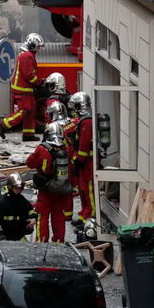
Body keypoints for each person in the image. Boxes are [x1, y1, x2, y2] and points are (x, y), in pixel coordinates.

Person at [26, 121, 74, 243]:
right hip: (61, 189)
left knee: (42, 217)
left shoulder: (42, 149)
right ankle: (58, 242)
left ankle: (42, 243)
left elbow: (30, 163)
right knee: (59, 217)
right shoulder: (66, 148)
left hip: (46, 190)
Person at [0, 33, 45, 141]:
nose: (39, 49)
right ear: (33, 46)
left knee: (30, 111)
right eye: (38, 47)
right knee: (24, 110)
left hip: (25, 89)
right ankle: (2, 125)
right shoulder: (27, 56)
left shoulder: (28, 55)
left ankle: (28, 135)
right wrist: (39, 82)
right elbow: (28, 75)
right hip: (22, 89)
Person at [69, 91, 96, 221]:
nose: (73, 110)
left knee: (89, 190)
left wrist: (79, 161)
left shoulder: (87, 122)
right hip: (83, 163)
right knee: (82, 189)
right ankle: (84, 213)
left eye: (75, 106)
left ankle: (91, 216)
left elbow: (84, 145)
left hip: (88, 163)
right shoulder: (83, 121)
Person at [0, 173, 36, 241]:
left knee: (27, 249)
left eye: (20, 188)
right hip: (4, 237)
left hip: (19, 235)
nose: (18, 190)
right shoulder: (1, 202)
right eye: (16, 188)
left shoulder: (21, 199)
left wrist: (33, 218)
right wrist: (0, 235)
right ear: (10, 187)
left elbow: (30, 210)